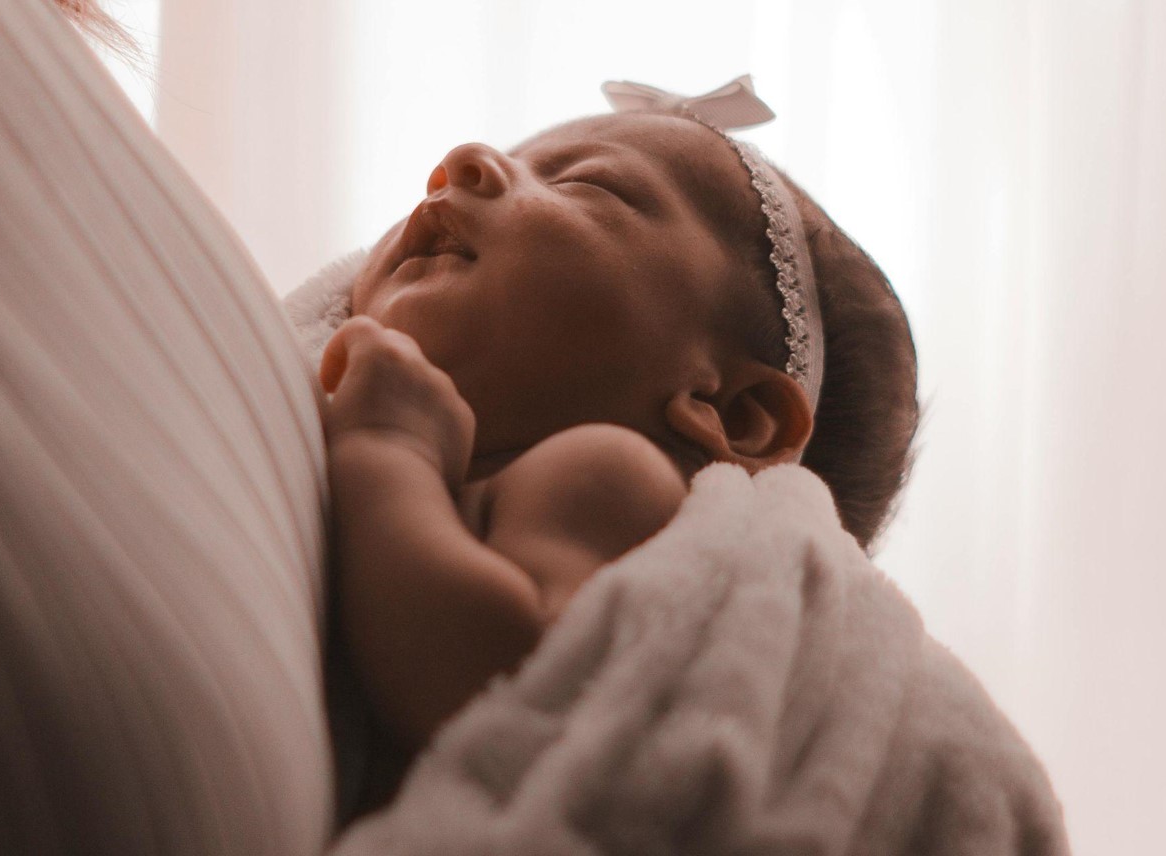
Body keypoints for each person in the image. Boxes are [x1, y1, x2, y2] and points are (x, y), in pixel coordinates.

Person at [319, 79, 920, 816]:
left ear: (733, 412)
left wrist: (386, 448)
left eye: (588, 184)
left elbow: (492, 690)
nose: (462, 164)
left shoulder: (604, 473)